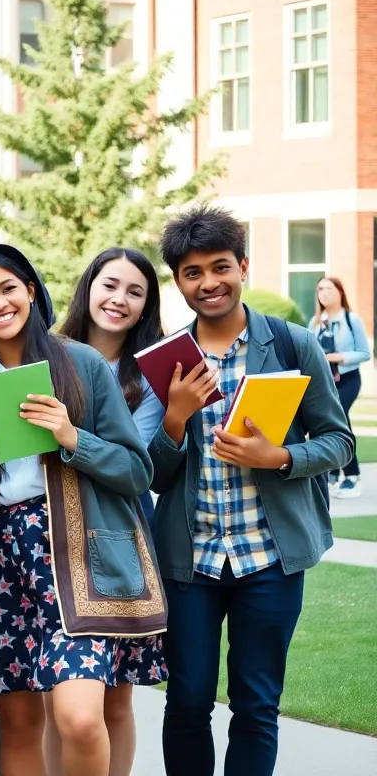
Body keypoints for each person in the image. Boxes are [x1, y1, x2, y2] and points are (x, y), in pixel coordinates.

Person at [152, 206, 352, 776]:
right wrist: (174, 419)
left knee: (257, 705)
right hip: (191, 563)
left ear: (243, 266)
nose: (208, 282)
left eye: (220, 267)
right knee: (187, 702)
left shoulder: (291, 345)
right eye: (192, 273)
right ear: (179, 282)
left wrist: (281, 456)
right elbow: (155, 476)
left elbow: (339, 441)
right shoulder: (168, 360)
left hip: (270, 558)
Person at [0, 243, 159, 776]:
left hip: (80, 558)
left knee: (81, 718)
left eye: (8, 288)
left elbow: (138, 471)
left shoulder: (80, 362)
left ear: (31, 291)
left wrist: (70, 436)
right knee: (17, 724)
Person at [52, 248, 170, 776]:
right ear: (88, 287)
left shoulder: (149, 377)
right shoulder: (46, 353)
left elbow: (134, 464)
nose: (119, 299)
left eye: (135, 292)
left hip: (117, 542)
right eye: (109, 285)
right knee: (58, 700)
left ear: (146, 307)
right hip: (47, 538)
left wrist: (69, 438)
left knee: (114, 700)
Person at [311, 276, 370, 499]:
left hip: (348, 379)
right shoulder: (315, 321)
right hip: (324, 382)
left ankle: (352, 476)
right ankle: (332, 474)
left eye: (328, 288)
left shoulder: (350, 319)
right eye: (320, 289)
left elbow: (364, 353)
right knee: (324, 425)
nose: (324, 293)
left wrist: (337, 357)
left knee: (339, 420)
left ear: (339, 292)